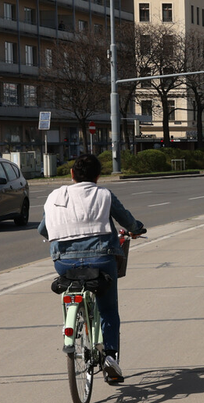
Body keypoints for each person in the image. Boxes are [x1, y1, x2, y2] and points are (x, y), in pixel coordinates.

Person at [38, 153, 145, 385]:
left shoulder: (55, 195)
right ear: (98, 176)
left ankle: (73, 322)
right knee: (108, 310)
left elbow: (42, 230)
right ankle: (110, 357)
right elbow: (126, 220)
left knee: (72, 288)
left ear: (72, 174)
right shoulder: (104, 194)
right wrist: (136, 228)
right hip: (101, 259)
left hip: (63, 261)